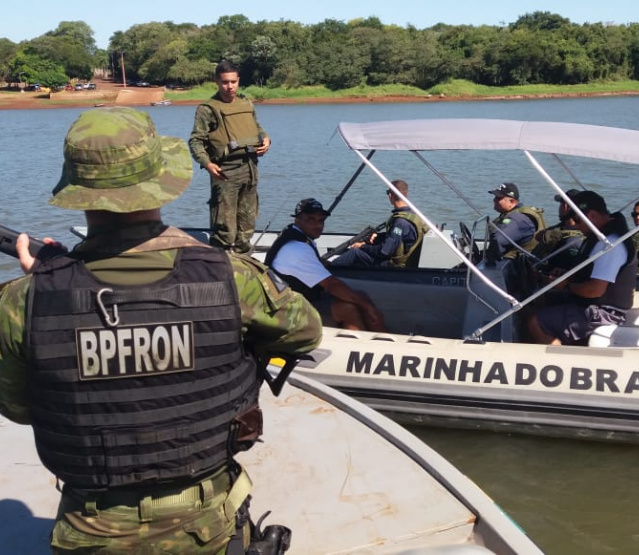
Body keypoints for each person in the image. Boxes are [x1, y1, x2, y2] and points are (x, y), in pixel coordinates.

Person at [0, 107, 321, 553]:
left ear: (77, 190)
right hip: (209, 526)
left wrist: (47, 283)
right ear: (161, 182)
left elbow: (19, 407)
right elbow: (306, 332)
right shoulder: (230, 276)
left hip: (89, 532)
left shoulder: (22, 300)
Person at [527, 190, 638, 345]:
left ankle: (558, 358)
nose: (573, 224)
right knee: (537, 301)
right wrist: (568, 275)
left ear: (591, 215)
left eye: (576, 219)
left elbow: (595, 290)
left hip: (605, 312)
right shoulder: (598, 237)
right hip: (590, 303)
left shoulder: (610, 244)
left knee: (536, 322)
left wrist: (566, 285)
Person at [266, 198, 387, 332]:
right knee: (347, 309)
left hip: (302, 299)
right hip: (286, 310)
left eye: (321, 220)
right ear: (298, 221)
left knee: (361, 296)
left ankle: (380, 337)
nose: (318, 225)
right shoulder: (297, 248)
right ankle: (358, 343)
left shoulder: (297, 236)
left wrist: (364, 303)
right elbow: (332, 285)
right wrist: (369, 307)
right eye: (311, 220)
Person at [189, 59, 271, 254]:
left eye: (233, 82)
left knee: (247, 224)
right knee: (225, 228)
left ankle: (243, 259)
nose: (230, 87)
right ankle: (220, 262)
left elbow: (258, 128)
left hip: (250, 168)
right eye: (225, 82)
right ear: (217, 82)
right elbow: (195, 141)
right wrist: (207, 164)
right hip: (225, 172)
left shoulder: (245, 102)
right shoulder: (207, 109)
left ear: (238, 81)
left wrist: (266, 140)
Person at [331, 180, 428, 268]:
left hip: (396, 266)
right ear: (406, 195)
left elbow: (384, 251)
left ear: (390, 195)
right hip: (409, 261)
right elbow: (399, 237)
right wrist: (378, 237)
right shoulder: (413, 215)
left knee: (354, 253)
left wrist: (362, 246)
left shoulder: (400, 222)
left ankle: (329, 270)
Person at [485, 182, 546, 262]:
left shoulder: (517, 219)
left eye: (498, 198)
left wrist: (490, 259)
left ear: (511, 201)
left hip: (519, 264)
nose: (494, 200)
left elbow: (498, 240)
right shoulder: (515, 214)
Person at [532, 188, 586, 273]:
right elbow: (539, 236)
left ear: (565, 207)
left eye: (560, 204)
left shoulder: (570, 241)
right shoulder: (572, 227)